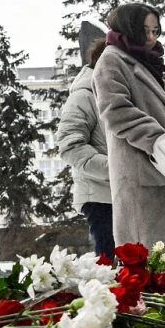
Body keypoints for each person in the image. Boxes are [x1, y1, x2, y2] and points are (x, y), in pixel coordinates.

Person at [93, 4, 165, 249]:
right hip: (143, 172)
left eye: (156, 31)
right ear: (128, 28)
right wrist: (158, 140)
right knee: (153, 262)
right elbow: (115, 110)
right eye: (145, 30)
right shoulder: (111, 60)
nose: (151, 38)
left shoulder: (149, 64)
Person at [58, 40, 114, 258]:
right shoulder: (84, 95)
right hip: (99, 196)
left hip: (125, 193)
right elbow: (70, 146)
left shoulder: (117, 94)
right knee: (110, 266)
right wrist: (116, 168)